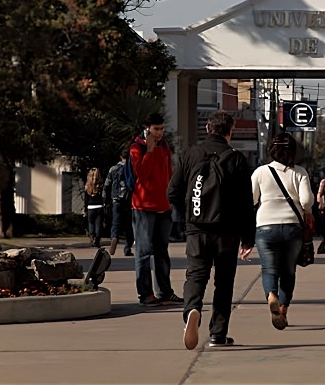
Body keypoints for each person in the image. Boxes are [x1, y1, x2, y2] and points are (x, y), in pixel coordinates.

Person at [168, 111, 255, 349]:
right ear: (230, 131)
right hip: (228, 231)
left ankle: (192, 310)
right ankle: (218, 334)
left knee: (196, 275)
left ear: (207, 128)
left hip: (196, 229)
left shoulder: (190, 154)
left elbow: (172, 192)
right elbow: (246, 203)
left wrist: (189, 212)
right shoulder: (236, 159)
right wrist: (248, 238)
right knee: (224, 282)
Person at [247, 133, 314, 330]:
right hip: (292, 227)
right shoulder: (299, 172)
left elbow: (251, 198)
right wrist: (307, 212)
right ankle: (283, 309)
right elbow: (306, 200)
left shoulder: (260, 172)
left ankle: (271, 295)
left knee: (269, 269)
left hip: (266, 226)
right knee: (288, 271)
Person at [130, 112, 181, 307]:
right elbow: (141, 174)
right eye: (156, 129)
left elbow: (169, 172)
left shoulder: (165, 146)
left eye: (161, 129)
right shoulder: (137, 148)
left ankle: (165, 292)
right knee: (143, 252)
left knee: (162, 251)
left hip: (163, 206)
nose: (159, 133)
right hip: (144, 207)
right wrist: (149, 151)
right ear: (147, 129)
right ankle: (145, 294)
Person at [103, 149, 134, 256]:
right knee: (129, 224)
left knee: (116, 222)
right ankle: (127, 248)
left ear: (120, 157)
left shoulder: (113, 169)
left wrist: (106, 200)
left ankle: (114, 237)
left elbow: (107, 185)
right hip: (128, 200)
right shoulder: (131, 168)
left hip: (116, 199)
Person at [84, 168, 104, 248]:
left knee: (91, 223)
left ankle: (92, 237)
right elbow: (104, 196)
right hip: (99, 206)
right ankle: (97, 239)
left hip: (90, 206)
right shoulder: (101, 185)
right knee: (98, 223)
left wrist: (85, 208)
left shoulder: (87, 186)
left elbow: (86, 199)